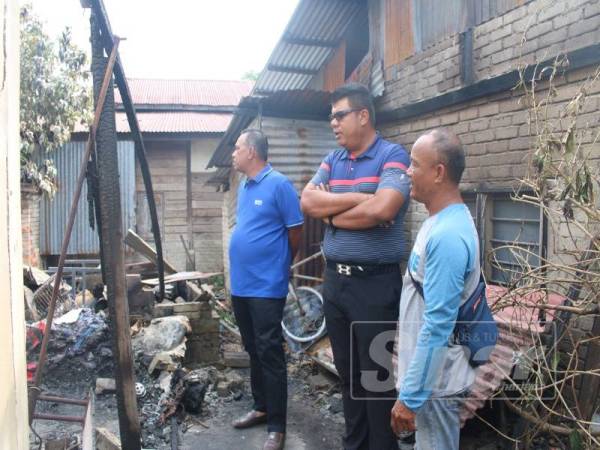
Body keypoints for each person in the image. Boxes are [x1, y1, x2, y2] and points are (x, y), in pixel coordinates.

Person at [301, 83, 411, 450]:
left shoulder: (392, 155)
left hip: (375, 289)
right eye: (331, 116)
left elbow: (384, 209)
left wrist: (333, 210)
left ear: (363, 116)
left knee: (376, 379)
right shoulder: (333, 160)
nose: (333, 122)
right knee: (348, 378)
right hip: (335, 285)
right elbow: (308, 202)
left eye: (339, 115)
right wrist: (357, 201)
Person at [390, 129, 478, 450]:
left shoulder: (447, 236)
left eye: (414, 164)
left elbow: (439, 324)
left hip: (436, 388)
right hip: (429, 382)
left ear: (439, 172)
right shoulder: (439, 219)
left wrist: (410, 398)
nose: (406, 171)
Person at [228, 129, 303, 450]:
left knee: (270, 352)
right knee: (253, 348)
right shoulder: (244, 187)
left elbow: (295, 231)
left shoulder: (280, 185)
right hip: (241, 285)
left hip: (267, 285)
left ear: (252, 152)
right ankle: (261, 407)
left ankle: (277, 426)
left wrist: (280, 263)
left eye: (237, 147)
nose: (232, 153)